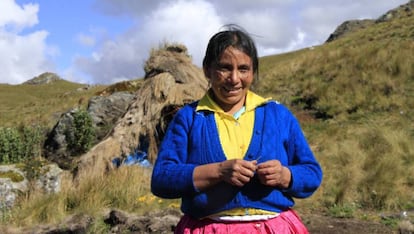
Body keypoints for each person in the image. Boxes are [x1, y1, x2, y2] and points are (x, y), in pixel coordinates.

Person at [151, 24, 323, 234]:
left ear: (253, 71)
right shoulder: (189, 118)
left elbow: (312, 172)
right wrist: (219, 171)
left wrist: (284, 175)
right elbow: (162, 179)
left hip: (274, 228)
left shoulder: (278, 115)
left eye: (243, 69)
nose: (234, 79)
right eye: (224, 67)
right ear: (207, 69)